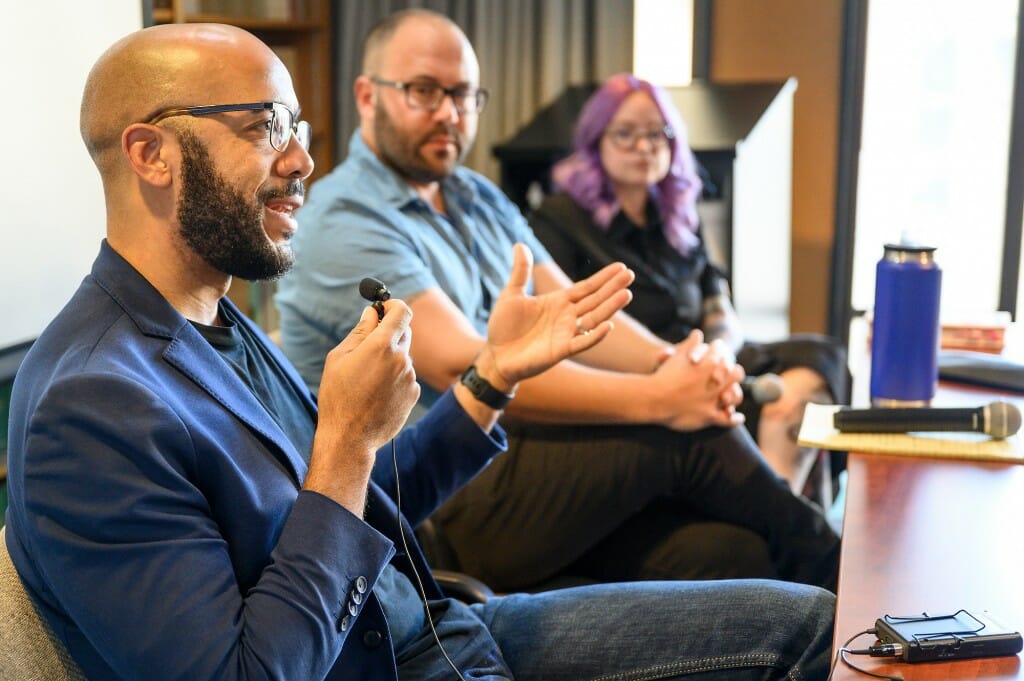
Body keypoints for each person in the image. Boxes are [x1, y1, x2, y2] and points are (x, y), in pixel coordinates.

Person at [3, 21, 837, 681]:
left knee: (801, 617)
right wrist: (344, 446)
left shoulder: (214, 317)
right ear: (150, 154)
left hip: (445, 631)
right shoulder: (89, 405)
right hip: (400, 659)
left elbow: (365, 504)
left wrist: (489, 379)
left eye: (294, 126)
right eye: (265, 128)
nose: (302, 161)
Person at [275, 8, 840, 593]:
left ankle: (827, 606)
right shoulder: (345, 216)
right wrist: (657, 398)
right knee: (681, 435)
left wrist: (673, 367)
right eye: (424, 91)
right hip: (437, 492)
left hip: (530, 462)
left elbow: (574, 308)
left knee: (733, 553)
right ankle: (847, 577)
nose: (449, 112)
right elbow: (461, 365)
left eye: (464, 95)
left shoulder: (475, 195)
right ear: (368, 96)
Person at [530, 73, 851, 495]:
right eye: (625, 134)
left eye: (657, 134)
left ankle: (781, 490)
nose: (644, 147)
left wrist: (720, 347)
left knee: (818, 357)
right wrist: (691, 365)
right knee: (783, 400)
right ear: (595, 142)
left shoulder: (678, 215)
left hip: (710, 354)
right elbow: (568, 323)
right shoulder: (559, 218)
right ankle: (782, 502)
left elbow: (717, 299)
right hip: (648, 372)